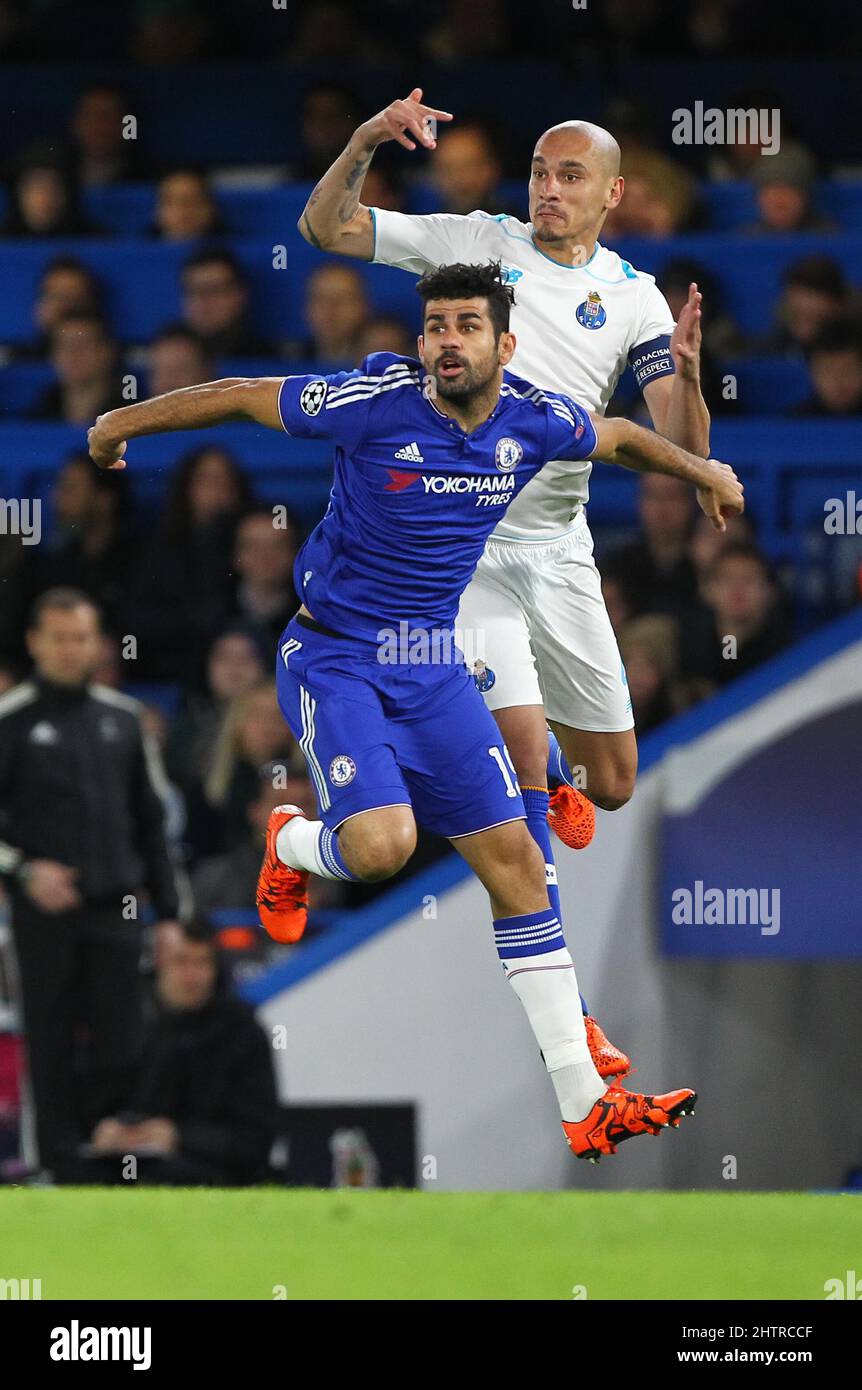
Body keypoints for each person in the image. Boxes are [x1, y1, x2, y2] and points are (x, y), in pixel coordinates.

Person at [87, 262, 741, 1160]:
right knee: (383, 848)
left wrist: (702, 467)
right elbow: (243, 395)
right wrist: (122, 422)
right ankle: (290, 842)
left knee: (515, 860)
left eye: (467, 325)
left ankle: (585, 1101)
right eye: (435, 324)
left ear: (504, 346)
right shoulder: (374, 402)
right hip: (336, 658)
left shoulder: (533, 420)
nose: (446, 341)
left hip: (430, 663)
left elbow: (622, 433)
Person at [296, 89, 718, 857]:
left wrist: (688, 377)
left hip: (558, 547)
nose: (550, 190)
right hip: (466, 541)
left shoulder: (633, 299)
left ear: (612, 193)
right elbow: (325, 227)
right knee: (517, 763)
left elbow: (680, 448)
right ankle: (538, 930)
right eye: (539, 173)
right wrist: (364, 141)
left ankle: (549, 770)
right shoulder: (476, 242)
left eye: (571, 177)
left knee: (612, 781)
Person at [0, 589, 181, 1175]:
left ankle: (108, 1160)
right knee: (47, 1040)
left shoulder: (124, 720)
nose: (72, 649)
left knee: (123, 1042)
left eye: (82, 637)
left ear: (97, 643)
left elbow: (154, 823)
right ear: (35, 643)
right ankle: (52, 1164)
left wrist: (174, 916)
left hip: (119, 910)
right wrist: (24, 870)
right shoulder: (11, 721)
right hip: (44, 913)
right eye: (59, 637)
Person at [82, 918, 278, 1186]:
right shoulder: (127, 1027)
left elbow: (255, 1139)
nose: (192, 976)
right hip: (131, 1166)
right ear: (159, 963)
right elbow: (92, 1104)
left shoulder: (242, 1032)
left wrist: (178, 1137)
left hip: (215, 1174)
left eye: (202, 963)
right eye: (181, 962)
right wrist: (110, 1130)